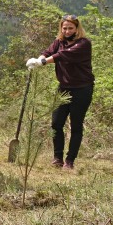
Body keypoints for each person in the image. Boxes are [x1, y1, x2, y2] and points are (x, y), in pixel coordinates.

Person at [26, 14, 95, 171]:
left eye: (70, 28)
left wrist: (42, 62)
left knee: (76, 125)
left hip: (82, 89)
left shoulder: (84, 43)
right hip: (63, 87)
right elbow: (49, 51)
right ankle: (57, 157)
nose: (67, 30)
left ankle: (70, 161)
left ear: (77, 28)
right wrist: (38, 59)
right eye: (64, 28)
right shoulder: (59, 41)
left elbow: (62, 56)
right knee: (56, 123)